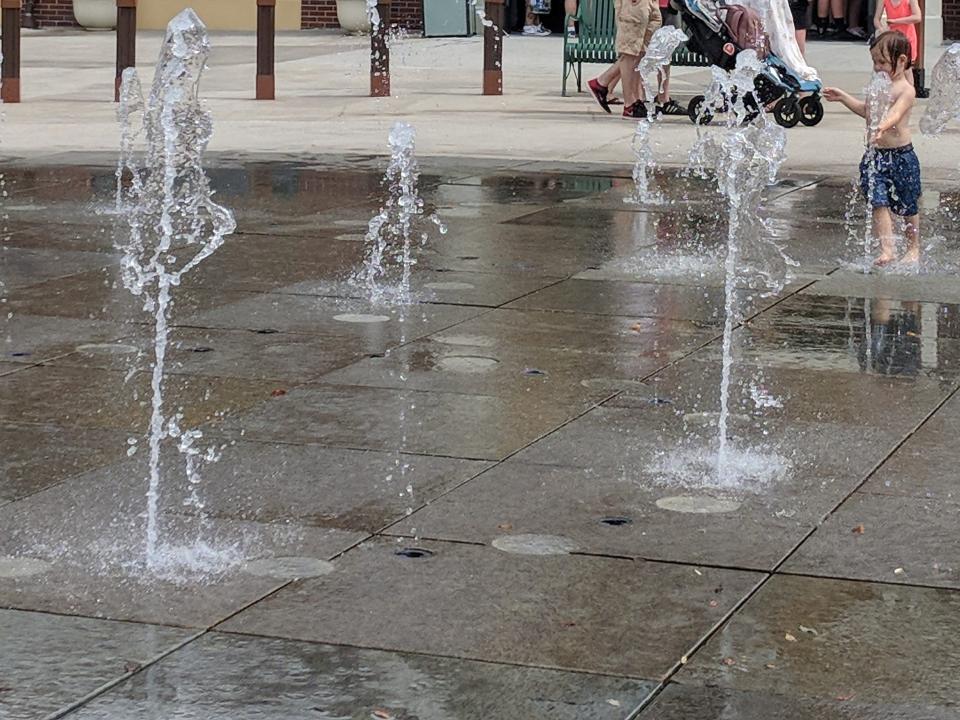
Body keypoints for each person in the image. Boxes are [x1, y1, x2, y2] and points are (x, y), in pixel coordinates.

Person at [824, 31, 921, 266]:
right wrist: (844, 97)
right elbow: (866, 111)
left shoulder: (906, 90)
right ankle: (888, 250)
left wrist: (882, 126)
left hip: (901, 156)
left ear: (901, 61)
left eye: (882, 62)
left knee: (908, 206)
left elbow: (895, 114)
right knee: (878, 202)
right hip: (875, 156)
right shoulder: (878, 87)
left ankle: (914, 247)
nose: (877, 68)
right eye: (874, 62)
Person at [874, 0, 921, 64]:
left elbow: (917, 17)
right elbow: (876, 19)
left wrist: (895, 21)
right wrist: (881, 30)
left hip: (907, 37)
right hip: (892, 39)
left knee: (907, 67)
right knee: (892, 65)